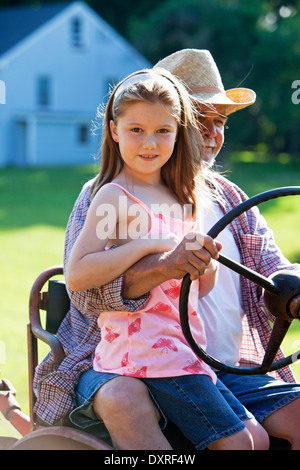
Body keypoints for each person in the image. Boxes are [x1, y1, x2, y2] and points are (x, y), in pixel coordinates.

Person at [32, 50, 300, 450]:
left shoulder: (227, 196)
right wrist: (165, 262)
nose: (213, 134)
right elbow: (86, 291)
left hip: (223, 364)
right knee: (126, 399)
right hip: (122, 358)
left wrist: (292, 289)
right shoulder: (106, 194)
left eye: (221, 122)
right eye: (202, 120)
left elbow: (271, 266)